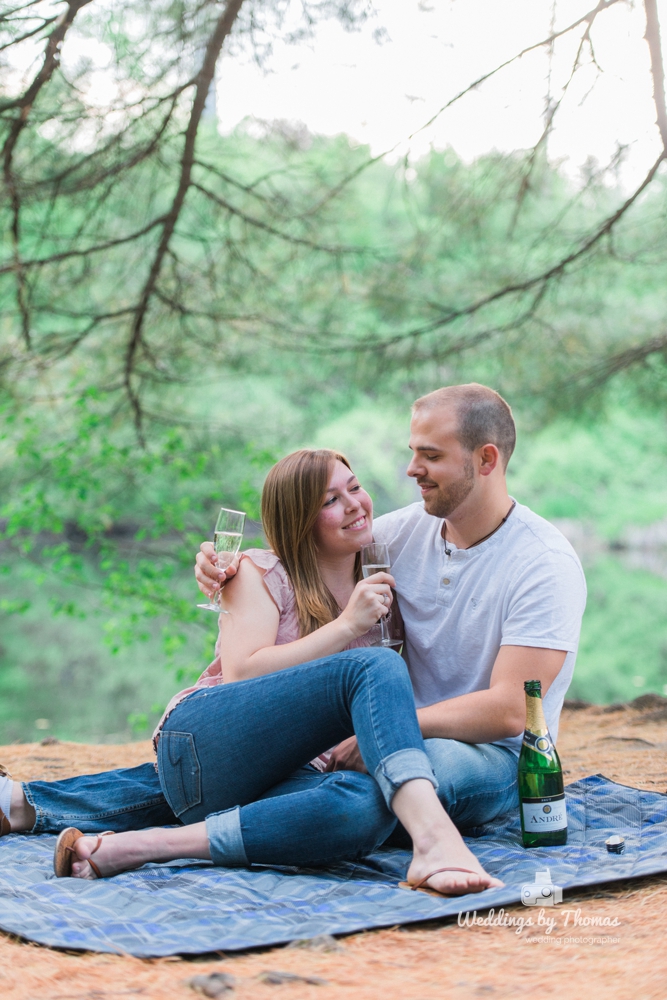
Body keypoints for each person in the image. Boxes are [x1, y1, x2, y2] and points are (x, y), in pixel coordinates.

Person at [0, 449, 502, 897]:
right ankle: (435, 839)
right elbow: (243, 673)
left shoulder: (378, 584)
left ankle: (132, 843)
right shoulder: (258, 572)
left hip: (289, 773)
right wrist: (347, 625)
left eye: (354, 487)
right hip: (205, 742)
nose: (354, 504)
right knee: (372, 666)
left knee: (365, 808)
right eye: (330, 500)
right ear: (299, 520)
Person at [197, 383, 587, 835]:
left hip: (487, 753)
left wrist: (383, 729)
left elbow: (509, 710)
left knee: (407, 780)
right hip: (393, 733)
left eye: (431, 456)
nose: (411, 469)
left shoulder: (543, 563)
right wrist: (220, 566)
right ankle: (272, 816)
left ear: (486, 460)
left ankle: (217, 829)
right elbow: (304, 547)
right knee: (357, 785)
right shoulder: (398, 536)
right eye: (412, 452)